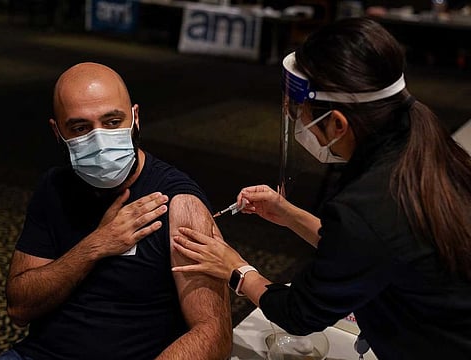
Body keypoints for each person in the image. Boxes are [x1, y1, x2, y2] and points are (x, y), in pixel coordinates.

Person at [171, 17, 471, 360]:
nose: (303, 126)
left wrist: (236, 269)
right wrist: (288, 214)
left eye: (306, 115)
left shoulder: (371, 204)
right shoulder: (421, 140)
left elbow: (300, 313)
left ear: (338, 123)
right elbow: (371, 249)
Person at [0, 62, 232, 360]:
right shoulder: (54, 188)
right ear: (57, 132)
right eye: (80, 127)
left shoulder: (178, 203)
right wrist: (95, 246)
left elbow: (213, 333)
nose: (98, 139)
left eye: (111, 122)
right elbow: (19, 308)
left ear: (135, 118)